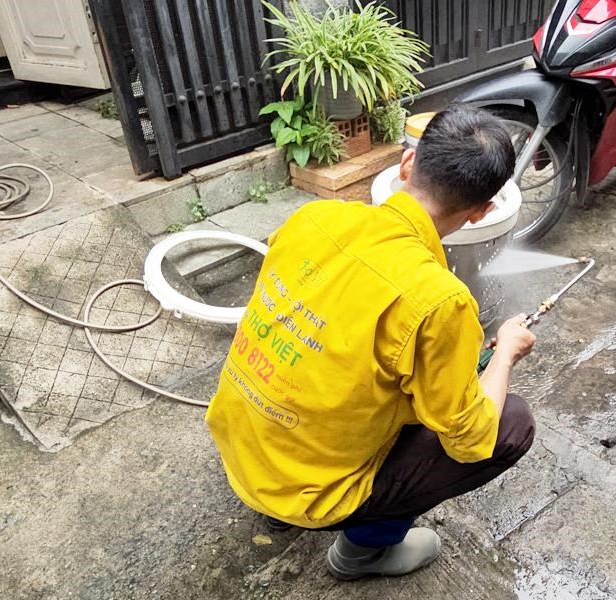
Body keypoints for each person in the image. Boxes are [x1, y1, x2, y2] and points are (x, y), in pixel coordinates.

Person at [206, 105, 537, 580]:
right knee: (511, 423)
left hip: (240, 444)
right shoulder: (439, 301)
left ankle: (275, 501)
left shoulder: (313, 217)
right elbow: (470, 440)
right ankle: (365, 552)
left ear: (406, 165)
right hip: (309, 492)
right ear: (482, 210)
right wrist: (503, 352)